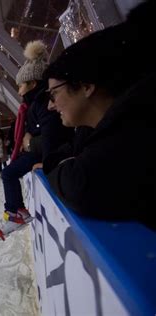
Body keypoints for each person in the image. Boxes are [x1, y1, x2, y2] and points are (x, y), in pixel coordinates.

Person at [41, 0, 155, 230]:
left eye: (53, 94)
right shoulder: (95, 131)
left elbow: (79, 184)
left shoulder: (136, 132)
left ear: (86, 86)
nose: (50, 106)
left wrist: (60, 166)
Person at [0, 40, 72, 240]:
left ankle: (15, 212)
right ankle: (16, 210)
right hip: (37, 151)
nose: (19, 90)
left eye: (21, 85)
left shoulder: (43, 104)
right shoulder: (32, 106)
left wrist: (45, 159)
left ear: (33, 84)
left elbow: (52, 135)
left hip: (43, 152)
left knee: (9, 173)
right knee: (9, 172)